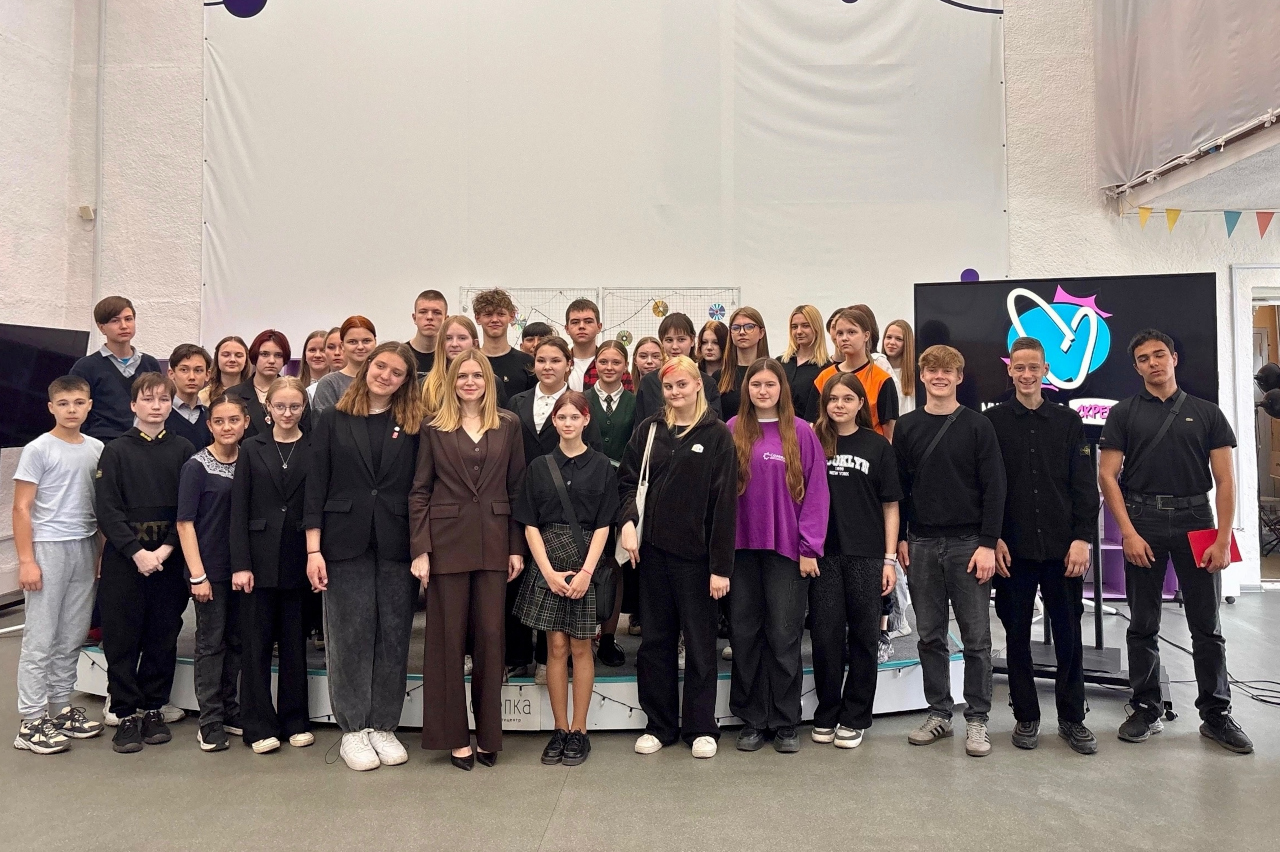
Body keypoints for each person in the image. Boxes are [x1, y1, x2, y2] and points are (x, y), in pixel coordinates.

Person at [1098, 329, 1252, 754]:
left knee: (1207, 625)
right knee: (1143, 623)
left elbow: (1225, 481)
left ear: (1174, 358)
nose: (1153, 363)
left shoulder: (1207, 413)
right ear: (1136, 368)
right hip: (1143, 519)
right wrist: (1128, 533)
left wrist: (1223, 539)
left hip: (1197, 519)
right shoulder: (1124, 413)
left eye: (1159, 355)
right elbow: (1107, 475)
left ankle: (1216, 714)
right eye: (1144, 358)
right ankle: (1146, 707)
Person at [305, 342, 422, 771]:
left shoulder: (414, 424)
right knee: (349, 636)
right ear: (366, 367)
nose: (385, 376)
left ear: (405, 382)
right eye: (380, 366)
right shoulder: (333, 419)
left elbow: (421, 489)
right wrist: (313, 549)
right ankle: (353, 729)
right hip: (342, 543)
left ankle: (383, 725)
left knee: (393, 635)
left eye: (396, 372)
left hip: (397, 544)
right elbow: (315, 485)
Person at [410, 350, 526, 770]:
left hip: (494, 542)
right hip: (446, 544)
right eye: (463, 376)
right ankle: (454, 737)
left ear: (488, 381)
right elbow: (420, 490)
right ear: (452, 381)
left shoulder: (508, 424)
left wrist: (516, 546)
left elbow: (517, 488)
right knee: (446, 641)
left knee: (491, 639)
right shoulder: (433, 427)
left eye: (478, 375)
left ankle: (489, 735)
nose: (470, 382)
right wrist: (420, 548)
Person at [985, 337, 1099, 755]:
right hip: (1011, 550)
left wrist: (1082, 538)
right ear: (1010, 370)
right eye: (1020, 367)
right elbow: (987, 486)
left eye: (1034, 367)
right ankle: (1026, 716)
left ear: (1046, 370)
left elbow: (1084, 486)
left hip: (1062, 550)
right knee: (1016, 636)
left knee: (1069, 636)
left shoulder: (1068, 422)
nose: (1027, 374)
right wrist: (992, 537)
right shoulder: (992, 422)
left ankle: (1072, 719)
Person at [620, 356, 737, 759]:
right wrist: (628, 521)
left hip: (697, 560)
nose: (675, 392)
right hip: (652, 556)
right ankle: (660, 725)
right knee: (655, 642)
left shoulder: (718, 435)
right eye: (669, 386)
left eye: (682, 385)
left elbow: (724, 506)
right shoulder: (649, 430)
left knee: (701, 645)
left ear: (698, 385)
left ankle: (702, 727)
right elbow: (626, 482)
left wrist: (720, 568)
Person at [894, 345, 1005, 757]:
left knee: (976, 638)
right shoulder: (907, 427)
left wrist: (988, 543)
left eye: (948, 371)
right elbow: (900, 489)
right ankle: (939, 712)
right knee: (929, 635)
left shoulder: (978, 426)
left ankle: (977, 720)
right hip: (921, 543)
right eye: (932, 370)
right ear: (922, 376)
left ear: (959, 377)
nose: (939, 376)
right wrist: (901, 537)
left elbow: (995, 487)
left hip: (969, 545)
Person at [726, 359, 828, 754]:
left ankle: (786, 721)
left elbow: (817, 493)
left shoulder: (801, 432)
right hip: (741, 551)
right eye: (756, 384)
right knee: (745, 634)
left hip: (787, 552)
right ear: (747, 390)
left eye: (770, 384)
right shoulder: (733, 429)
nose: (763, 391)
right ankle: (752, 719)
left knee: (784, 636)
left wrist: (809, 547)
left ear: (782, 388)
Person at [513, 391, 619, 766]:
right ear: (554, 421)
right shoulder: (539, 467)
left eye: (575, 416)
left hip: (585, 561)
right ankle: (559, 729)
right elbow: (529, 523)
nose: (568, 422)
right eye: (562, 417)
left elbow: (605, 524)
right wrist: (547, 571)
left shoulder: (603, 466)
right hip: (549, 564)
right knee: (555, 648)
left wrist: (587, 572)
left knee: (581, 647)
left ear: (586, 419)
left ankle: (579, 730)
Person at [94, 373, 196, 754]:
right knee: (121, 637)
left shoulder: (184, 449)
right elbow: (107, 509)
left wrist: (165, 550)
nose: (156, 406)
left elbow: (187, 507)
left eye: (163, 399)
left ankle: (154, 707)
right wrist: (137, 552)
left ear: (171, 405)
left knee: (162, 635)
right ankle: (124, 713)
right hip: (126, 561)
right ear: (133, 405)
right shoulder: (116, 451)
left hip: (168, 560)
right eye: (148, 399)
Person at [12, 376, 106, 754]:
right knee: (41, 638)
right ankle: (31, 721)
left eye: (78, 402)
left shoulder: (96, 448)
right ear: (51, 407)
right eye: (64, 403)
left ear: (89, 406)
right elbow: (21, 508)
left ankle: (59, 708)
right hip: (48, 548)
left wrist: (100, 552)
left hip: (85, 546)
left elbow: (98, 505)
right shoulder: (38, 449)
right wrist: (26, 561)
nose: (71, 409)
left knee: (72, 634)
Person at [808, 372, 901, 749]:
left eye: (848, 398)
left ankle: (855, 716)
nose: (839, 405)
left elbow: (890, 505)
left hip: (867, 555)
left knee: (864, 637)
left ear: (861, 403)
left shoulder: (877, 446)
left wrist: (889, 560)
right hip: (823, 555)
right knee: (825, 637)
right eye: (833, 399)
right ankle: (827, 711)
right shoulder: (813, 441)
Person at [504, 336, 604, 680]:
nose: (547, 366)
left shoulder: (579, 405)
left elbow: (594, 452)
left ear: (568, 364)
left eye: (555, 360)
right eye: (541, 360)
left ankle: (549, 660)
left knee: (561, 589)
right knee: (520, 579)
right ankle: (518, 655)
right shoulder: (516, 402)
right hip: (524, 498)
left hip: (567, 506)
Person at [230, 377, 316, 755]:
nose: (287, 413)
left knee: (295, 643)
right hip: (257, 559)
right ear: (267, 408)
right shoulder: (251, 447)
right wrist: (241, 564)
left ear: (304, 408)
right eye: (280, 406)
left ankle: (296, 720)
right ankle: (258, 724)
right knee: (256, 645)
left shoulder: (314, 446)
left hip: (298, 556)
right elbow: (238, 509)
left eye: (294, 406)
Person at [176, 394, 248, 753]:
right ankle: (210, 720)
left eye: (233, 420)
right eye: (219, 421)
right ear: (209, 425)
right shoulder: (196, 467)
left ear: (246, 422)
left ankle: (231, 709)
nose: (227, 427)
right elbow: (185, 523)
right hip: (210, 570)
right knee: (210, 644)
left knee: (236, 642)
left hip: (242, 569)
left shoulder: (250, 461)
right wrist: (197, 576)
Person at [586, 340, 635, 666]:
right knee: (584, 561)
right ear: (595, 364)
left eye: (616, 362)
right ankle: (582, 635)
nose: (609, 367)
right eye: (603, 361)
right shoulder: (580, 399)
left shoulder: (635, 402)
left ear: (625, 366)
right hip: (585, 491)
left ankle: (607, 637)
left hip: (620, 491)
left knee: (613, 565)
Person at [71, 296, 162, 442]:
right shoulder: (85, 367)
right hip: (102, 444)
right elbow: (76, 410)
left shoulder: (150, 364)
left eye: (128, 319)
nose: (124, 326)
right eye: (115, 321)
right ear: (102, 327)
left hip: (145, 443)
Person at [808, 308, 898, 440]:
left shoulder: (881, 379)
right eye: (840, 333)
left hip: (870, 448)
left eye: (851, 332)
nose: (844, 338)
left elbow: (889, 432)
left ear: (866, 335)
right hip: (831, 447)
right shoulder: (824, 377)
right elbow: (815, 425)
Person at [633, 313, 723, 426]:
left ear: (692, 340)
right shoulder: (649, 383)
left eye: (681, 339)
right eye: (669, 340)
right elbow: (640, 428)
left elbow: (716, 428)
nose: (675, 346)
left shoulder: (708, 383)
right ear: (662, 342)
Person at [226, 330, 305, 440]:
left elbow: (305, 433)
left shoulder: (297, 394)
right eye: (264, 354)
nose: (271, 361)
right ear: (255, 356)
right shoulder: (233, 395)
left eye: (278, 355)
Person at [474, 288, 536, 399]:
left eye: (501, 314)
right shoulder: (470, 363)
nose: (494, 319)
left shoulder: (528, 363)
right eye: (488, 314)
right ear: (477, 318)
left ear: (511, 317)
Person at [421, 315, 486, 417]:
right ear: (440, 343)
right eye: (448, 338)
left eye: (462, 338)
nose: (454, 344)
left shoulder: (490, 382)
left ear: (475, 343)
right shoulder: (425, 386)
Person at [311, 316, 377, 412]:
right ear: (343, 345)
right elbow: (323, 420)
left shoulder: (384, 379)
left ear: (375, 342)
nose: (360, 347)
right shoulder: (330, 383)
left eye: (366, 341)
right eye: (352, 342)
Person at [780, 305, 831, 423]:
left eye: (805, 326)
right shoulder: (781, 363)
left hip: (808, 429)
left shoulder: (826, 369)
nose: (799, 331)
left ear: (816, 328)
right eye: (794, 327)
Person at [718, 308, 771, 419]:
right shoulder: (720, 376)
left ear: (761, 333)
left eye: (749, 327)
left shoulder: (773, 373)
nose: (742, 332)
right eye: (736, 328)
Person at [166, 344, 213, 450]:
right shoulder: (159, 414)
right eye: (184, 370)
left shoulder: (211, 416)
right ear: (171, 374)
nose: (191, 377)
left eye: (198, 370)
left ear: (207, 375)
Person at [201, 336, 252, 407]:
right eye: (226, 355)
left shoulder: (256, 394)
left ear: (246, 360)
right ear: (217, 359)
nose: (232, 359)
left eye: (238, 355)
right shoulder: (203, 396)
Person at [408, 289, 448, 377]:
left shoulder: (451, 355)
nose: (429, 317)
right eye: (423, 312)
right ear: (414, 318)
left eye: (436, 313)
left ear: (446, 319)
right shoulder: (401, 355)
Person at [881, 319, 917, 417]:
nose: (892, 342)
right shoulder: (877, 369)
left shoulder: (916, 373)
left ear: (907, 343)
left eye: (899, 339)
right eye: (889, 337)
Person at [565, 298, 602, 391]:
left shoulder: (611, 365)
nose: (581, 326)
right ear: (567, 329)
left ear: (599, 327)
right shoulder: (559, 364)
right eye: (575, 322)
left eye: (588, 321)